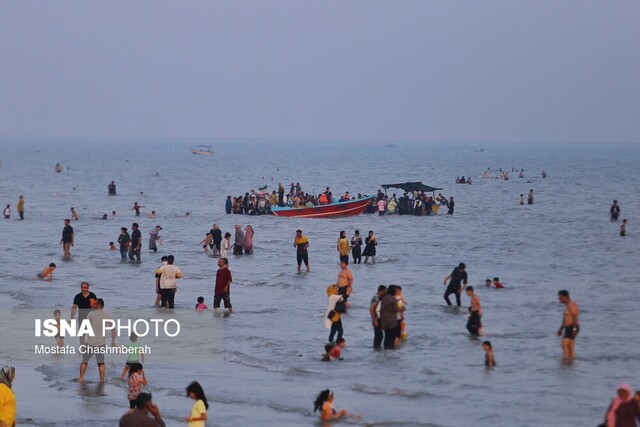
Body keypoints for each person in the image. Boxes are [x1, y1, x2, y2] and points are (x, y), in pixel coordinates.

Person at [79, 298, 116, 383]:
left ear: (98, 305)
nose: (93, 305)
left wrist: (82, 337)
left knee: (84, 361)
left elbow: (85, 327)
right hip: (101, 343)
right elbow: (113, 328)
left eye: (95, 303)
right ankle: (102, 380)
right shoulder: (106, 315)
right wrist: (113, 341)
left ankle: (81, 378)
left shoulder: (91, 314)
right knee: (101, 362)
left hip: (90, 342)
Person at [557, 290, 579, 359]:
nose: (559, 299)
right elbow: (565, 319)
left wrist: (574, 329)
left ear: (565, 297)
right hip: (567, 328)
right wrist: (561, 329)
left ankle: (567, 360)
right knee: (570, 346)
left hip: (572, 326)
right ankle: (571, 361)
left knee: (564, 344)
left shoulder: (571, 304)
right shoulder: (566, 306)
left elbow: (575, 317)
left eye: (560, 297)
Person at [379, 285, 399, 349]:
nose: (396, 291)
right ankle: (391, 350)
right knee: (392, 336)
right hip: (392, 320)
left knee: (387, 336)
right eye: (395, 290)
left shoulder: (383, 298)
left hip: (384, 319)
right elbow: (395, 309)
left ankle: (386, 349)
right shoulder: (393, 298)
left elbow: (381, 309)